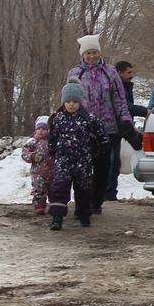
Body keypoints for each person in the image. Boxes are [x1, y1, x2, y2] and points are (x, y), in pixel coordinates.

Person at [68, 34, 142, 215]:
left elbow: (119, 99)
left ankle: (97, 200)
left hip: (107, 128)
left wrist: (125, 120)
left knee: (103, 167)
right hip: (83, 128)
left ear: (99, 52)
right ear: (83, 54)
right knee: (83, 167)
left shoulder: (110, 72)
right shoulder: (75, 74)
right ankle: (83, 201)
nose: (91, 56)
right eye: (88, 53)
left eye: (94, 52)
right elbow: (69, 99)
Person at [47, 79, 107, 231]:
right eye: (68, 101)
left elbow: (103, 136)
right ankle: (57, 217)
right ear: (63, 102)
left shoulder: (89, 119)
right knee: (60, 188)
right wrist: (52, 150)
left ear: (80, 102)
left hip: (83, 161)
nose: (71, 104)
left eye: (74, 101)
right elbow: (52, 136)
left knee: (83, 189)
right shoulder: (58, 118)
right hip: (63, 161)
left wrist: (101, 151)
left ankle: (84, 214)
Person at [106, 61, 150, 202]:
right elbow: (125, 106)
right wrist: (145, 111)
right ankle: (107, 194)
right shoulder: (119, 87)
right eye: (129, 72)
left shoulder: (125, 86)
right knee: (111, 162)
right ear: (120, 73)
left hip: (121, 127)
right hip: (113, 128)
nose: (132, 75)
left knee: (115, 163)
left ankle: (110, 193)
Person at [21, 115, 55, 215]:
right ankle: (39, 206)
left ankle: (55, 205)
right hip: (38, 172)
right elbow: (24, 153)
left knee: (54, 190)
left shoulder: (53, 142)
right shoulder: (32, 142)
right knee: (39, 189)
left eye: (44, 129)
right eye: (38, 129)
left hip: (53, 171)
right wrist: (32, 156)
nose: (41, 131)